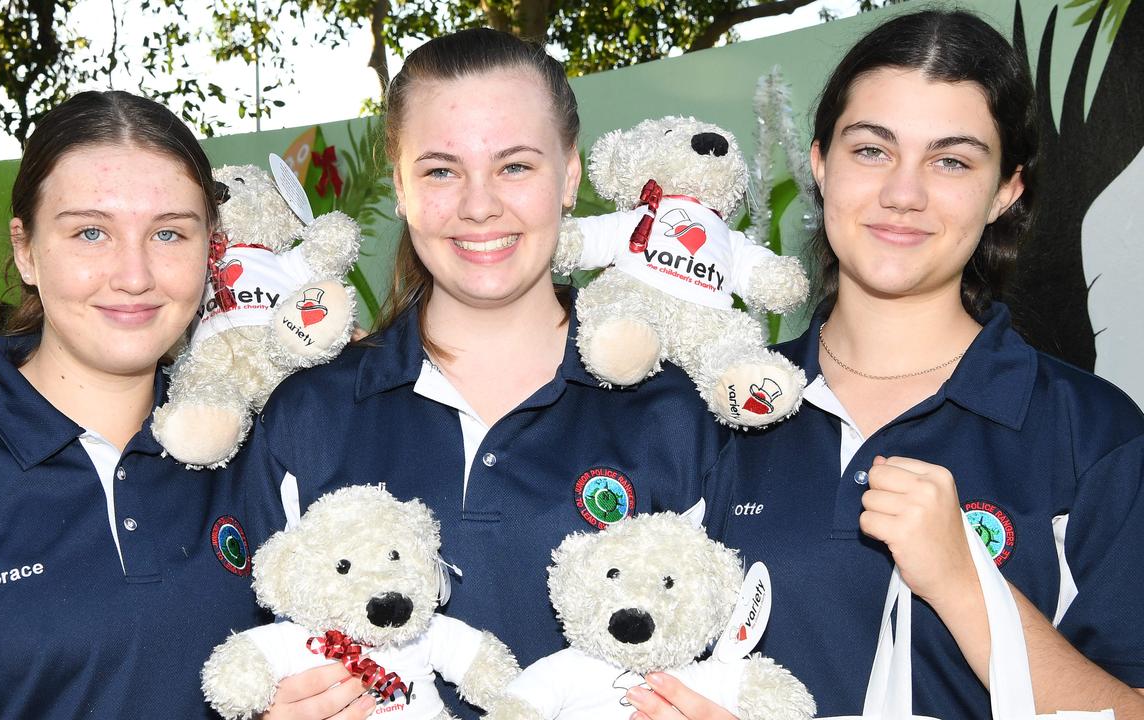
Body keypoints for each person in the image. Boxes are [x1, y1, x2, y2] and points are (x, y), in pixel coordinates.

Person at [631, 9, 1144, 720]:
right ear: (820, 163)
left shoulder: (1094, 434)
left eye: (952, 160)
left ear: (1006, 191)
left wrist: (967, 584)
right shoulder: (707, 409)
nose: (904, 193)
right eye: (872, 150)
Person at [237, 27, 725, 719]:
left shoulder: (673, 411)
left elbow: (724, 669)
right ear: (401, 188)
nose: (478, 204)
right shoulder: (309, 413)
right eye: (440, 169)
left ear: (572, 176)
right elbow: (243, 658)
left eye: (515, 166)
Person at [0, 90, 292, 718]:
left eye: (169, 233)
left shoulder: (263, 448)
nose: (134, 274)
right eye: (92, 232)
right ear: (26, 249)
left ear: (211, 250)